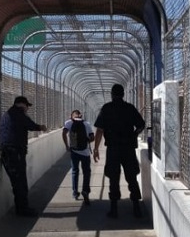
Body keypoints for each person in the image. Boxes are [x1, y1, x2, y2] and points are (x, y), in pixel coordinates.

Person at [93, 84, 146, 218]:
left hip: (113, 149)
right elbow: (141, 125)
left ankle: (114, 209)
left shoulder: (106, 108)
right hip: (128, 148)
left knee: (113, 177)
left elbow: (100, 130)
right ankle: (136, 207)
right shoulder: (129, 108)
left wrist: (96, 148)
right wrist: (134, 135)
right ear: (123, 94)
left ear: (112, 95)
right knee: (132, 177)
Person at [0, 96, 47, 217]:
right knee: (20, 181)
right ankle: (23, 209)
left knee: (16, 181)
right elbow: (31, 125)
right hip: (14, 152)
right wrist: (41, 127)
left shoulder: (7, 114)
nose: (27, 109)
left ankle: (21, 208)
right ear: (21, 104)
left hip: (7, 151)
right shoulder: (19, 114)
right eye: (27, 106)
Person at [62, 110, 95, 205]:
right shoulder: (87, 124)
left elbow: (64, 133)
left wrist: (67, 146)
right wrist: (86, 141)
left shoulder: (68, 123)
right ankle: (85, 191)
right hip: (85, 153)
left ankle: (75, 192)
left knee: (75, 171)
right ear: (81, 116)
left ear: (71, 116)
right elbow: (92, 138)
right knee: (86, 172)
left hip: (74, 152)